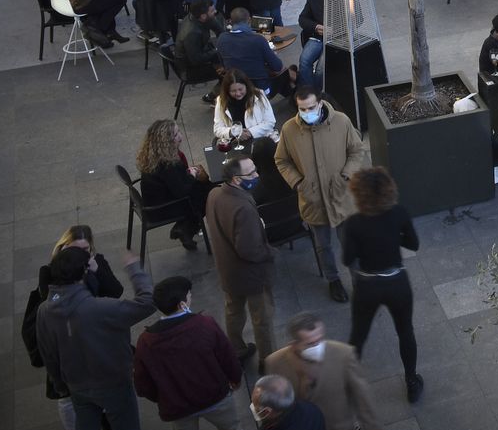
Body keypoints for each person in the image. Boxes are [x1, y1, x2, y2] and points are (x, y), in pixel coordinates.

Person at [34, 246, 168, 430]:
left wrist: (61, 384)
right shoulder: (99, 308)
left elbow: (48, 353)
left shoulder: (44, 311)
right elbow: (148, 302)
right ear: (83, 273)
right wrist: (134, 269)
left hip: (76, 385)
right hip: (113, 382)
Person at [132, 276, 254, 430]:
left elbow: (142, 384)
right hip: (216, 397)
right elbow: (227, 356)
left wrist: (164, 396)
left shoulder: (146, 341)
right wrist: (235, 378)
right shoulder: (204, 324)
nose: (191, 298)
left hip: (179, 408)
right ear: (181, 304)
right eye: (189, 295)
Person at [23, 226, 124, 430]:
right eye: (74, 249)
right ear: (63, 247)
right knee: (67, 396)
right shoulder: (50, 272)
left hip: (93, 338)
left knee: (100, 385)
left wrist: (97, 272)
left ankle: (105, 419)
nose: (81, 255)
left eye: (85, 249)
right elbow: (50, 307)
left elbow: (115, 292)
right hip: (65, 344)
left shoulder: (95, 263)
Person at [274, 86, 367, 304]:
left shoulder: (341, 122)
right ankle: (333, 280)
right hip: (313, 199)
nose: (307, 113)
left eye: (311, 107)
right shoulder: (289, 130)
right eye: (302, 109)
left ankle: (359, 281)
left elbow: (356, 150)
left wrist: (346, 175)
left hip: (342, 195)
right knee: (322, 246)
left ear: (320, 103)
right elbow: (281, 160)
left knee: (350, 243)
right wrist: (298, 182)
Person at [341, 167, 424, 403]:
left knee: (358, 335)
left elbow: (347, 259)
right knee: (405, 331)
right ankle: (412, 383)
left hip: (367, 286)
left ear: (359, 195)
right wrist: (392, 237)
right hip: (397, 282)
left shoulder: (353, 223)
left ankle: (348, 385)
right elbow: (414, 244)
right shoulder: (399, 213)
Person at [205, 155, 276, 363]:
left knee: (233, 311)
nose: (256, 175)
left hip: (227, 270)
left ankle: (236, 349)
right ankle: (268, 361)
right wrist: (271, 252)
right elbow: (250, 250)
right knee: (262, 319)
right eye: (251, 173)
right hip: (251, 275)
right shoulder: (243, 208)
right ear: (236, 179)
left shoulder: (214, 194)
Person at [136, 119, 214, 251]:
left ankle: (185, 228)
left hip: (156, 202)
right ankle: (186, 228)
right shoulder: (168, 164)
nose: (181, 137)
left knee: (205, 188)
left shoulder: (154, 155)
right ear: (166, 141)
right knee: (210, 194)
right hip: (163, 209)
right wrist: (192, 175)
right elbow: (182, 191)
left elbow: (175, 182)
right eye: (176, 134)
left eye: (179, 132)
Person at [216, 7, 285, 96]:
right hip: (260, 88)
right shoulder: (258, 40)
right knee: (286, 72)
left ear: (230, 21)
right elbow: (277, 66)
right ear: (249, 20)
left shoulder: (222, 38)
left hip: (235, 87)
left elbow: (223, 64)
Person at [214, 69, 278, 145]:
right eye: (233, 91)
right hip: (235, 142)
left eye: (240, 89)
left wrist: (250, 132)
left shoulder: (259, 95)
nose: (238, 93)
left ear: (246, 86)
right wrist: (232, 132)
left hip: (260, 140)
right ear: (227, 91)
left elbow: (270, 122)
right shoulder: (221, 101)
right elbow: (217, 129)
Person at [176, 0, 226, 73]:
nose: (215, 11)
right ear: (203, 16)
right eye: (212, 11)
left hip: (201, 49)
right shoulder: (192, 33)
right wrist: (217, 50)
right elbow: (196, 59)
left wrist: (224, 42)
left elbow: (220, 31)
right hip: (190, 67)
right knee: (229, 66)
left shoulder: (201, 16)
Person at [296, 0, 326, 91]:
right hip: (317, 37)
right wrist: (316, 27)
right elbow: (302, 19)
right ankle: (309, 93)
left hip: (337, 40)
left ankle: (317, 94)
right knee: (304, 61)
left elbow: (358, 19)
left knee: (320, 69)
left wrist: (337, 29)